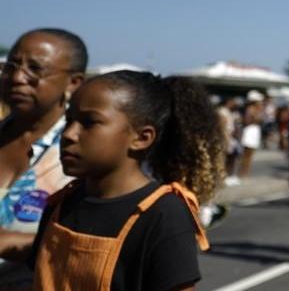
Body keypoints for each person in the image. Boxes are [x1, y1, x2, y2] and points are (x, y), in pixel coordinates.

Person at [27, 70, 225, 291]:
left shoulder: (163, 214)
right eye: (69, 120)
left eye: (90, 122)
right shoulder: (62, 203)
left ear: (141, 138)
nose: (69, 134)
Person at [0, 29, 87, 289]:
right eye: (11, 66)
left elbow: (91, 240)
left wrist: (13, 241)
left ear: (74, 82)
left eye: (35, 69)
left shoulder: (81, 156)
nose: (17, 78)